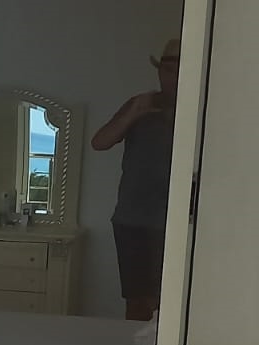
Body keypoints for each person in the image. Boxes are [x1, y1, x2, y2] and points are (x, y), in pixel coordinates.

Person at [92, 39, 180, 321]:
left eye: (179, 70)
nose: (172, 77)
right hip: (132, 219)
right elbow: (100, 142)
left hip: (179, 221)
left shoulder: (203, 109)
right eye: (167, 70)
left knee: (172, 301)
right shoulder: (140, 104)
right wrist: (134, 113)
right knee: (137, 301)